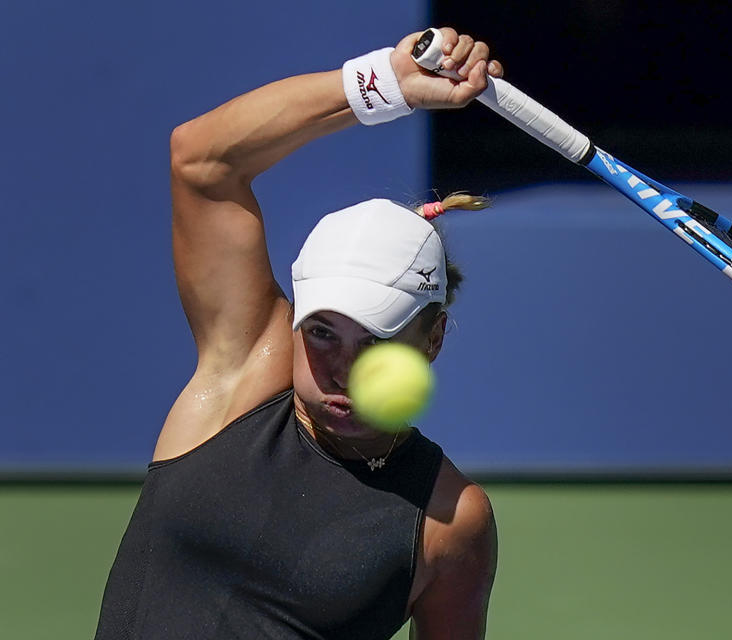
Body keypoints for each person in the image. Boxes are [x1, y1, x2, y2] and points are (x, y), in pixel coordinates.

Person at [95, 27, 502, 640]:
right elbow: (202, 159)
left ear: (433, 337)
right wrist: (385, 83)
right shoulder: (245, 378)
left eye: (377, 339)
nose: (342, 367)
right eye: (322, 332)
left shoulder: (448, 518)